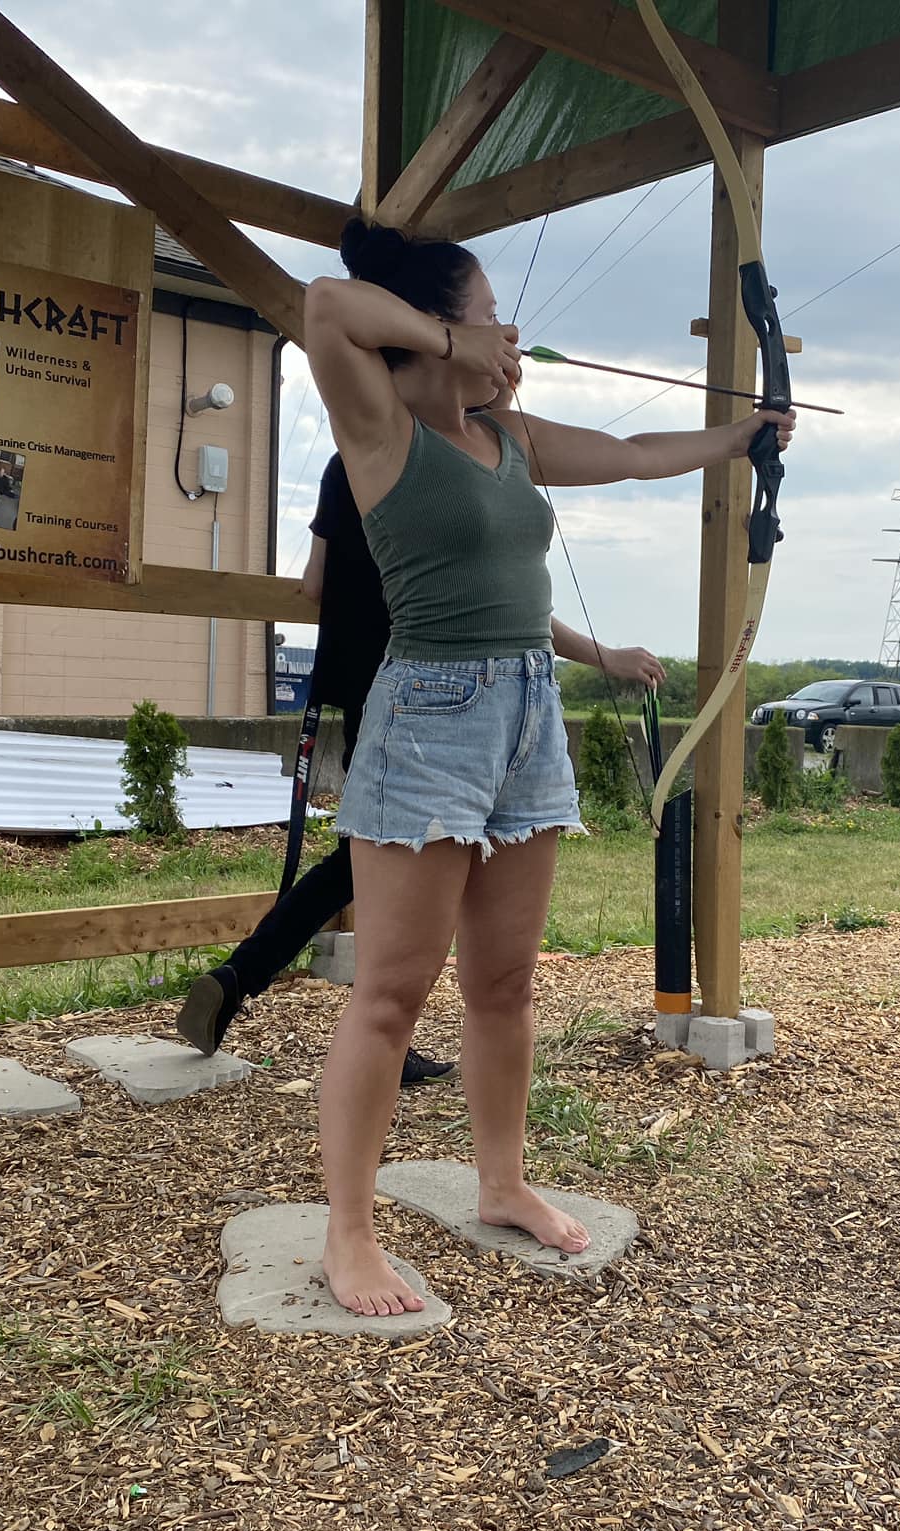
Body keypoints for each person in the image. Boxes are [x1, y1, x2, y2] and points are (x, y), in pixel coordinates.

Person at [299, 218, 794, 1316]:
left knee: (504, 985)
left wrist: (741, 439)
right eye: (491, 320)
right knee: (388, 994)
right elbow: (324, 309)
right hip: (428, 716)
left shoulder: (509, 439)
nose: (510, 341)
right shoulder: (378, 428)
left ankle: (501, 1182)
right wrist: (449, 336)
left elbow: (626, 456)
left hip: (527, 719)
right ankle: (348, 1232)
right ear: (434, 333)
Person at [173, 454, 665, 1086]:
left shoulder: (340, 460)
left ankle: (241, 978)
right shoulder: (436, 464)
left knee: (365, 860)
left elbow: (314, 584)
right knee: (397, 867)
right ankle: (364, 1029)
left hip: (360, 684)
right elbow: (495, 604)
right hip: (428, 690)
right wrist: (605, 656)